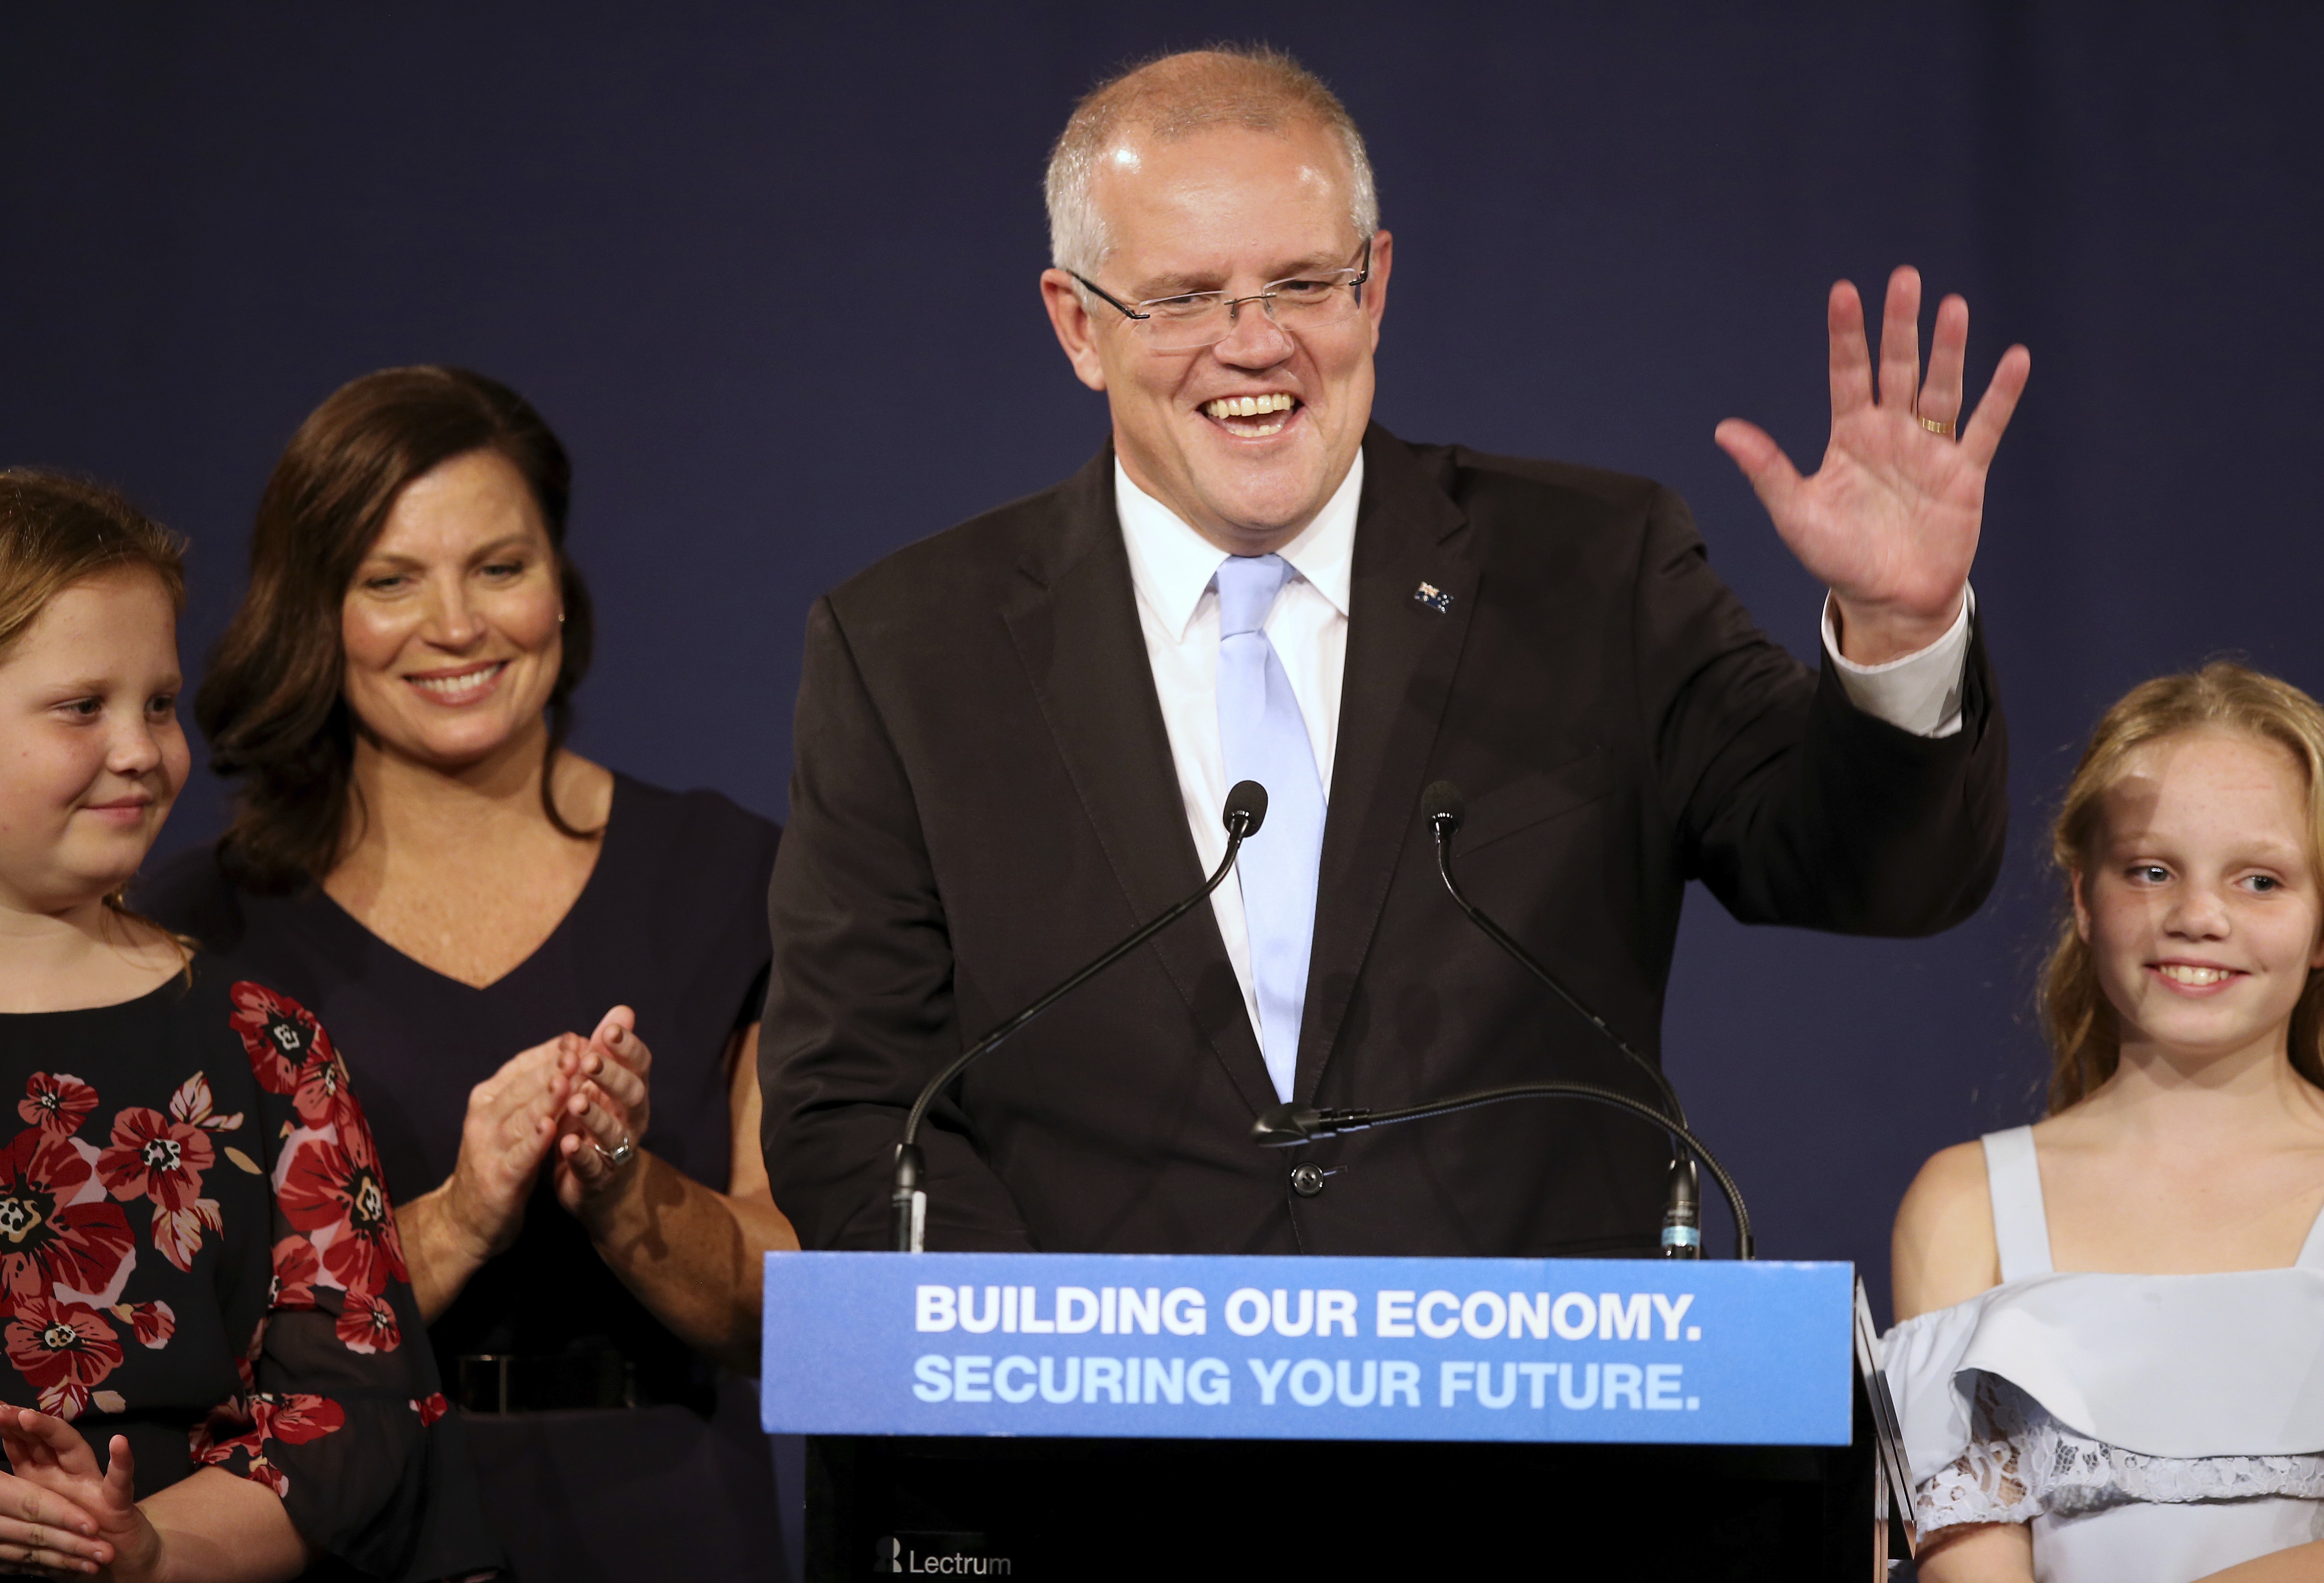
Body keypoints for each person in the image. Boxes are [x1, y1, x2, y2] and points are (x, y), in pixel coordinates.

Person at [761, 44, 2030, 1254]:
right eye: (1184, 297)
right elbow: (852, 1099)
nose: (1253, 343)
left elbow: (1876, 875)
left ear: (1374, 283)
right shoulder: (912, 648)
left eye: (1304, 284)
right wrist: (1076, 1364)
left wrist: (1902, 632)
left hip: (1522, 1442)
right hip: (1087, 1461)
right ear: (1079, 326)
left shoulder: (1589, 571)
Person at [142, 368, 798, 1583]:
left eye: (500, 567)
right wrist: (452, 1218)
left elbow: (802, 1311)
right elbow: (175, 1350)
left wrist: (624, 1188)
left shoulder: (734, 877)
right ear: (315, 610)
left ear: (561, 588)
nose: (456, 626)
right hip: (344, 1530)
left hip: (673, 1524)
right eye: (390, 581)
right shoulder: (196, 932)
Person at [0, 469, 497, 1580]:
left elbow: (353, 1408)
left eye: (161, 704)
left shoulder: (263, 1045)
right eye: (84, 706)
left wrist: (150, 1547)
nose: (142, 749)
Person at [1882, 664, 2324, 1581]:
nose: (2197, 916)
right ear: (2083, 898)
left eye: (2261, 881)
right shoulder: (1963, 1204)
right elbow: (1970, 1567)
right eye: (2151, 871)